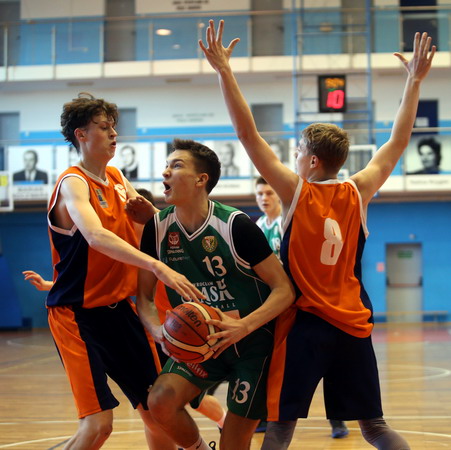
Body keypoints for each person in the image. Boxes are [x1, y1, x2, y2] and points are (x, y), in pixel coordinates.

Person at [200, 20, 435, 449]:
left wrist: (225, 72)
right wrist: (415, 81)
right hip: (352, 323)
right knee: (374, 428)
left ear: (310, 161)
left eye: (297, 151)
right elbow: (398, 143)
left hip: (305, 325)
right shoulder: (358, 191)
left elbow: (247, 135)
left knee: (280, 427)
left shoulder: (296, 192)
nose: (293, 156)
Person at [46, 92, 203, 450]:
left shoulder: (116, 178)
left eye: (113, 126)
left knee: (159, 408)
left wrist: (157, 219)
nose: (113, 133)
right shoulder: (73, 183)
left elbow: (149, 228)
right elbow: (96, 236)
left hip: (119, 313)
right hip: (77, 316)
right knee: (98, 426)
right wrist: (156, 265)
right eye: (103, 127)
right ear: (81, 134)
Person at [136, 138, 295, 450]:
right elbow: (143, 297)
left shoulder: (236, 226)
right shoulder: (156, 228)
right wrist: (157, 331)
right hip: (199, 343)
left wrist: (243, 326)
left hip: (251, 344)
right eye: (166, 165)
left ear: (201, 179)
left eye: (176, 165)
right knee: (159, 401)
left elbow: (284, 289)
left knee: (233, 445)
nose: (165, 172)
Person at [254, 176, 349, 439]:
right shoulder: (258, 226)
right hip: (276, 305)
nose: (264, 198)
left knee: (324, 362)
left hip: (304, 302)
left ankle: (338, 420)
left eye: (269, 193)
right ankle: (266, 415)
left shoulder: (288, 220)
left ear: (278, 195)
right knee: (271, 362)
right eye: (259, 194)